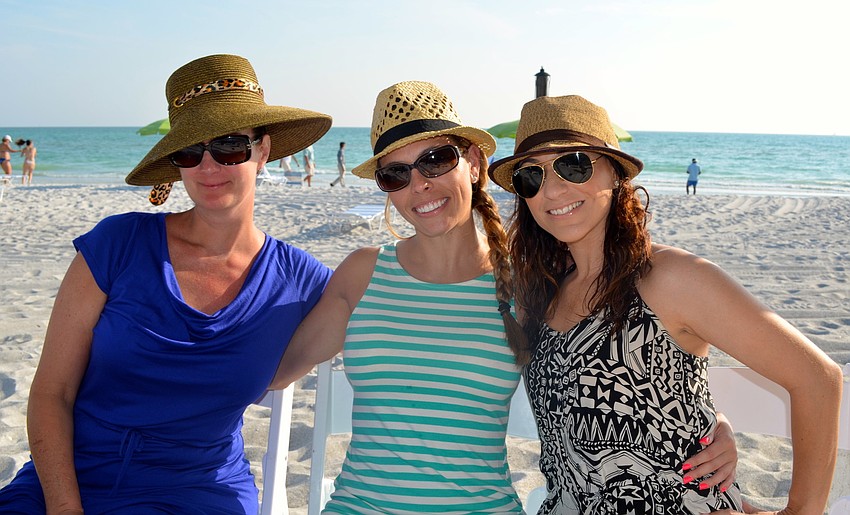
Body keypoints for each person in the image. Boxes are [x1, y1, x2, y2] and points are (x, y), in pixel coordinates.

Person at [270, 82, 738, 514]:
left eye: (436, 159)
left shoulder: (530, 285)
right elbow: (274, 372)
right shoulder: (362, 273)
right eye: (395, 174)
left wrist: (711, 422)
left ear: (474, 163)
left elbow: (603, 374)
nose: (419, 184)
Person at [0, 54, 333, 514]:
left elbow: (403, 301)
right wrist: (64, 507)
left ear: (263, 151)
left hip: (200, 491)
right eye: (190, 151)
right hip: (68, 478)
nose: (208, 165)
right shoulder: (117, 245)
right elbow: (51, 393)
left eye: (230, 145)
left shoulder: (301, 280)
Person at [488, 94, 843, 514]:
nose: (552, 189)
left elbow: (818, 378)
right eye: (531, 175)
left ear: (615, 172)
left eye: (574, 165)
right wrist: (713, 419)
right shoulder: (540, 292)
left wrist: (800, 511)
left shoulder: (670, 277)